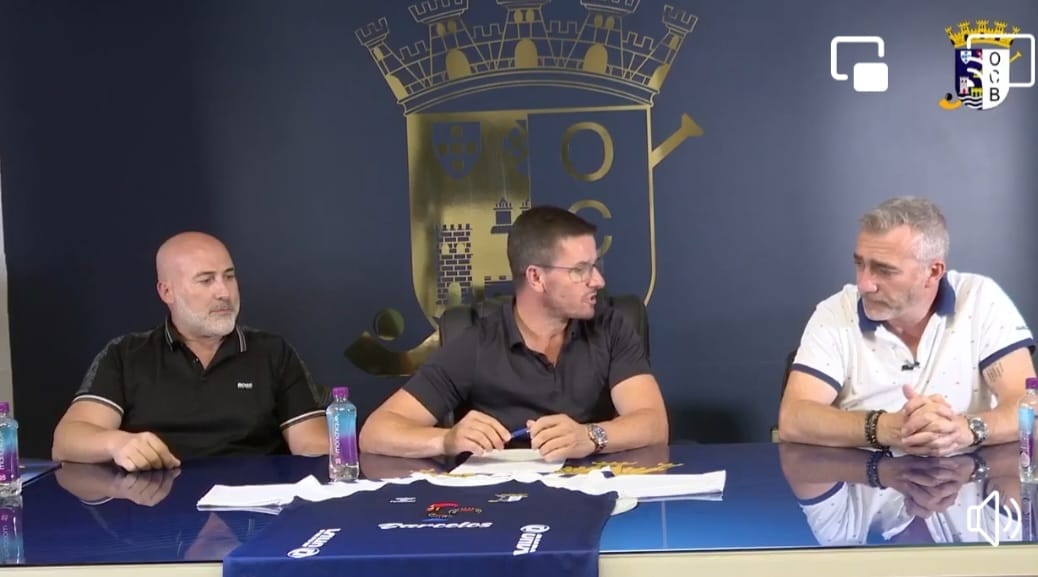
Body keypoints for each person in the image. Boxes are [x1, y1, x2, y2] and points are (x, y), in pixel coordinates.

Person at [359, 205, 668, 461]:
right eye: (580, 270)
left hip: (598, 490)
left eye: (596, 265)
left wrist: (590, 436)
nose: (598, 280)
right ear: (536, 277)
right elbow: (376, 432)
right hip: (505, 499)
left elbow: (654, 424)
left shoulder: (611, 327)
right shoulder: (477, 343)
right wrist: (446, 440)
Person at [778, 197, 1036, 456]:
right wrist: (887, 427)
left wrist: (965, 429)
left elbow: (1029, 407)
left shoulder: (981, 299)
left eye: (884, 270)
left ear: (933, 272)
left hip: (970, 475)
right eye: (860, 264)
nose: (865, 284)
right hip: (863, 474)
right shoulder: (835, 312)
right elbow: (794, 418)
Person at [52, 232, 329, 471]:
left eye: (229, 277)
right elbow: (66, 441)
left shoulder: (273, 352)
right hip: (157, 507)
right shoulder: (126, 355)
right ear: (167, 292)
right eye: (206, 280)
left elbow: (311, 445)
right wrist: (117, 443)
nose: (224, 292)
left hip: (257, 506)